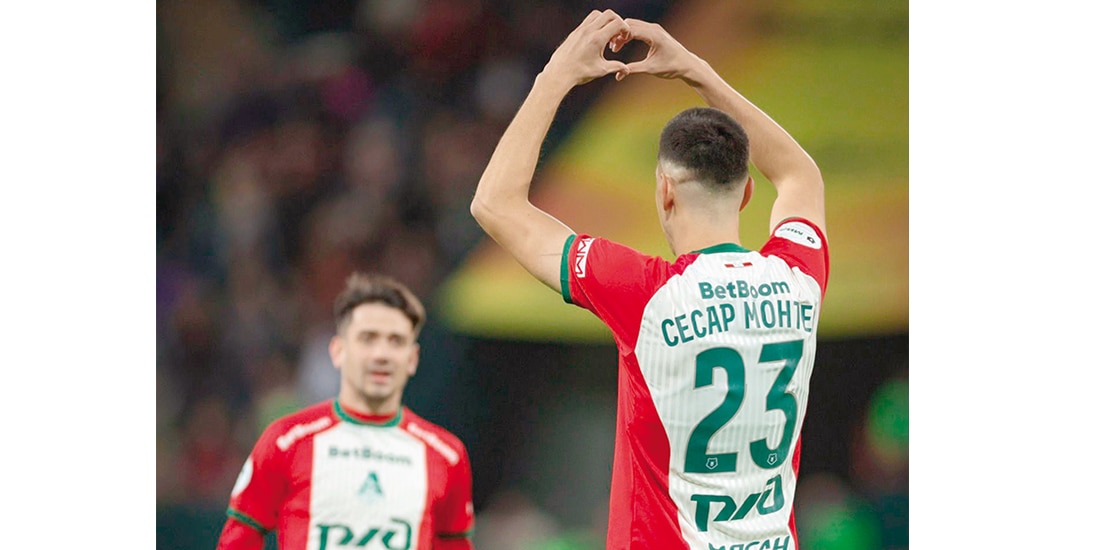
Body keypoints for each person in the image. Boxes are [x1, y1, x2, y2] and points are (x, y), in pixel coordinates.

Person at [470, 10, 828, 550]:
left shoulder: (644, 293)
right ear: (748, 193)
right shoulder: (799, 279)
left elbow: (494, 204)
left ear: (664, 191)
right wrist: (695, 70)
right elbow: (800, 173)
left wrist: (556, 76)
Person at [216, 272, 476, 549]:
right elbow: (239, 538)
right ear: (338, 350)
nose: (382, 354)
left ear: (412, 359)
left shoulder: (446, 455)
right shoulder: (286, 440)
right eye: (368, 338)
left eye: (396, 341)